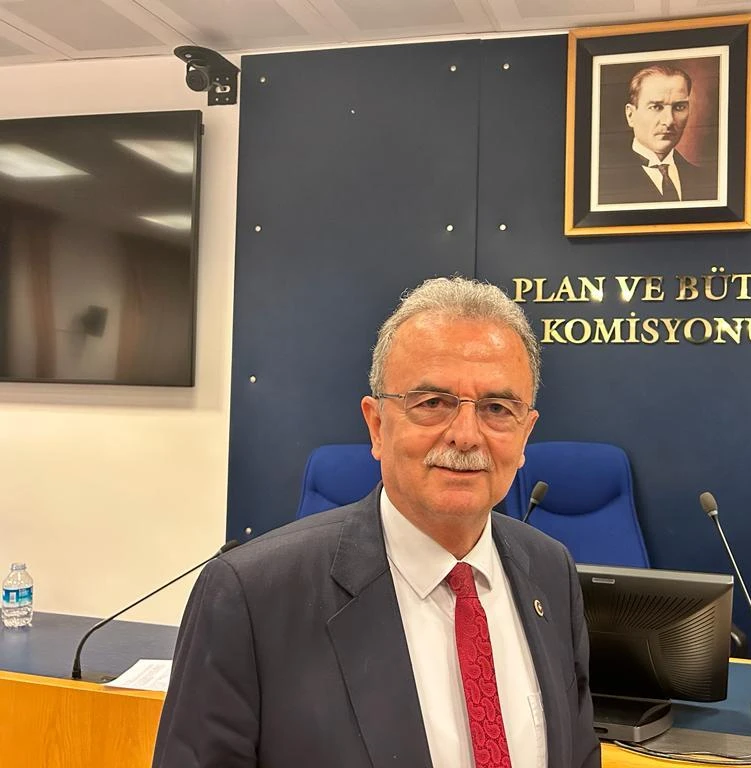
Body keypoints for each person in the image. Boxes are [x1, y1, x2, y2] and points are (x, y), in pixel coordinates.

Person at [152, 276, 601, 768]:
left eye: (496, 408)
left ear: (525, 433)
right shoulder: (251, 598)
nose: (466, 435)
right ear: (377, 425)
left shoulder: (551, 571)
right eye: (433, 404)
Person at [598, 62, 717, 205]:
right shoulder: (602, 181)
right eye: (656, 107)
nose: (669, 121)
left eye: (679, 107)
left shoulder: (708, 182)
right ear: (630, 115)